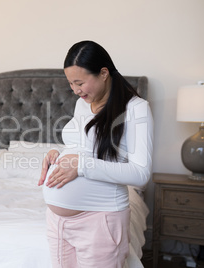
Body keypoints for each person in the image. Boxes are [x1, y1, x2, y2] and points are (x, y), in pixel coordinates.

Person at [38, 41, 153, 267]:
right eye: (71, 83)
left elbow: (141, 174)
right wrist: (58, 155)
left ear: (103, 73)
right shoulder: (83, 104)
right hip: (57, 222)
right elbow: (83, 145)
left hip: (100, 220)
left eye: (80, 82)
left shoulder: (136, 108)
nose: (75, 90)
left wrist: (80, 166)